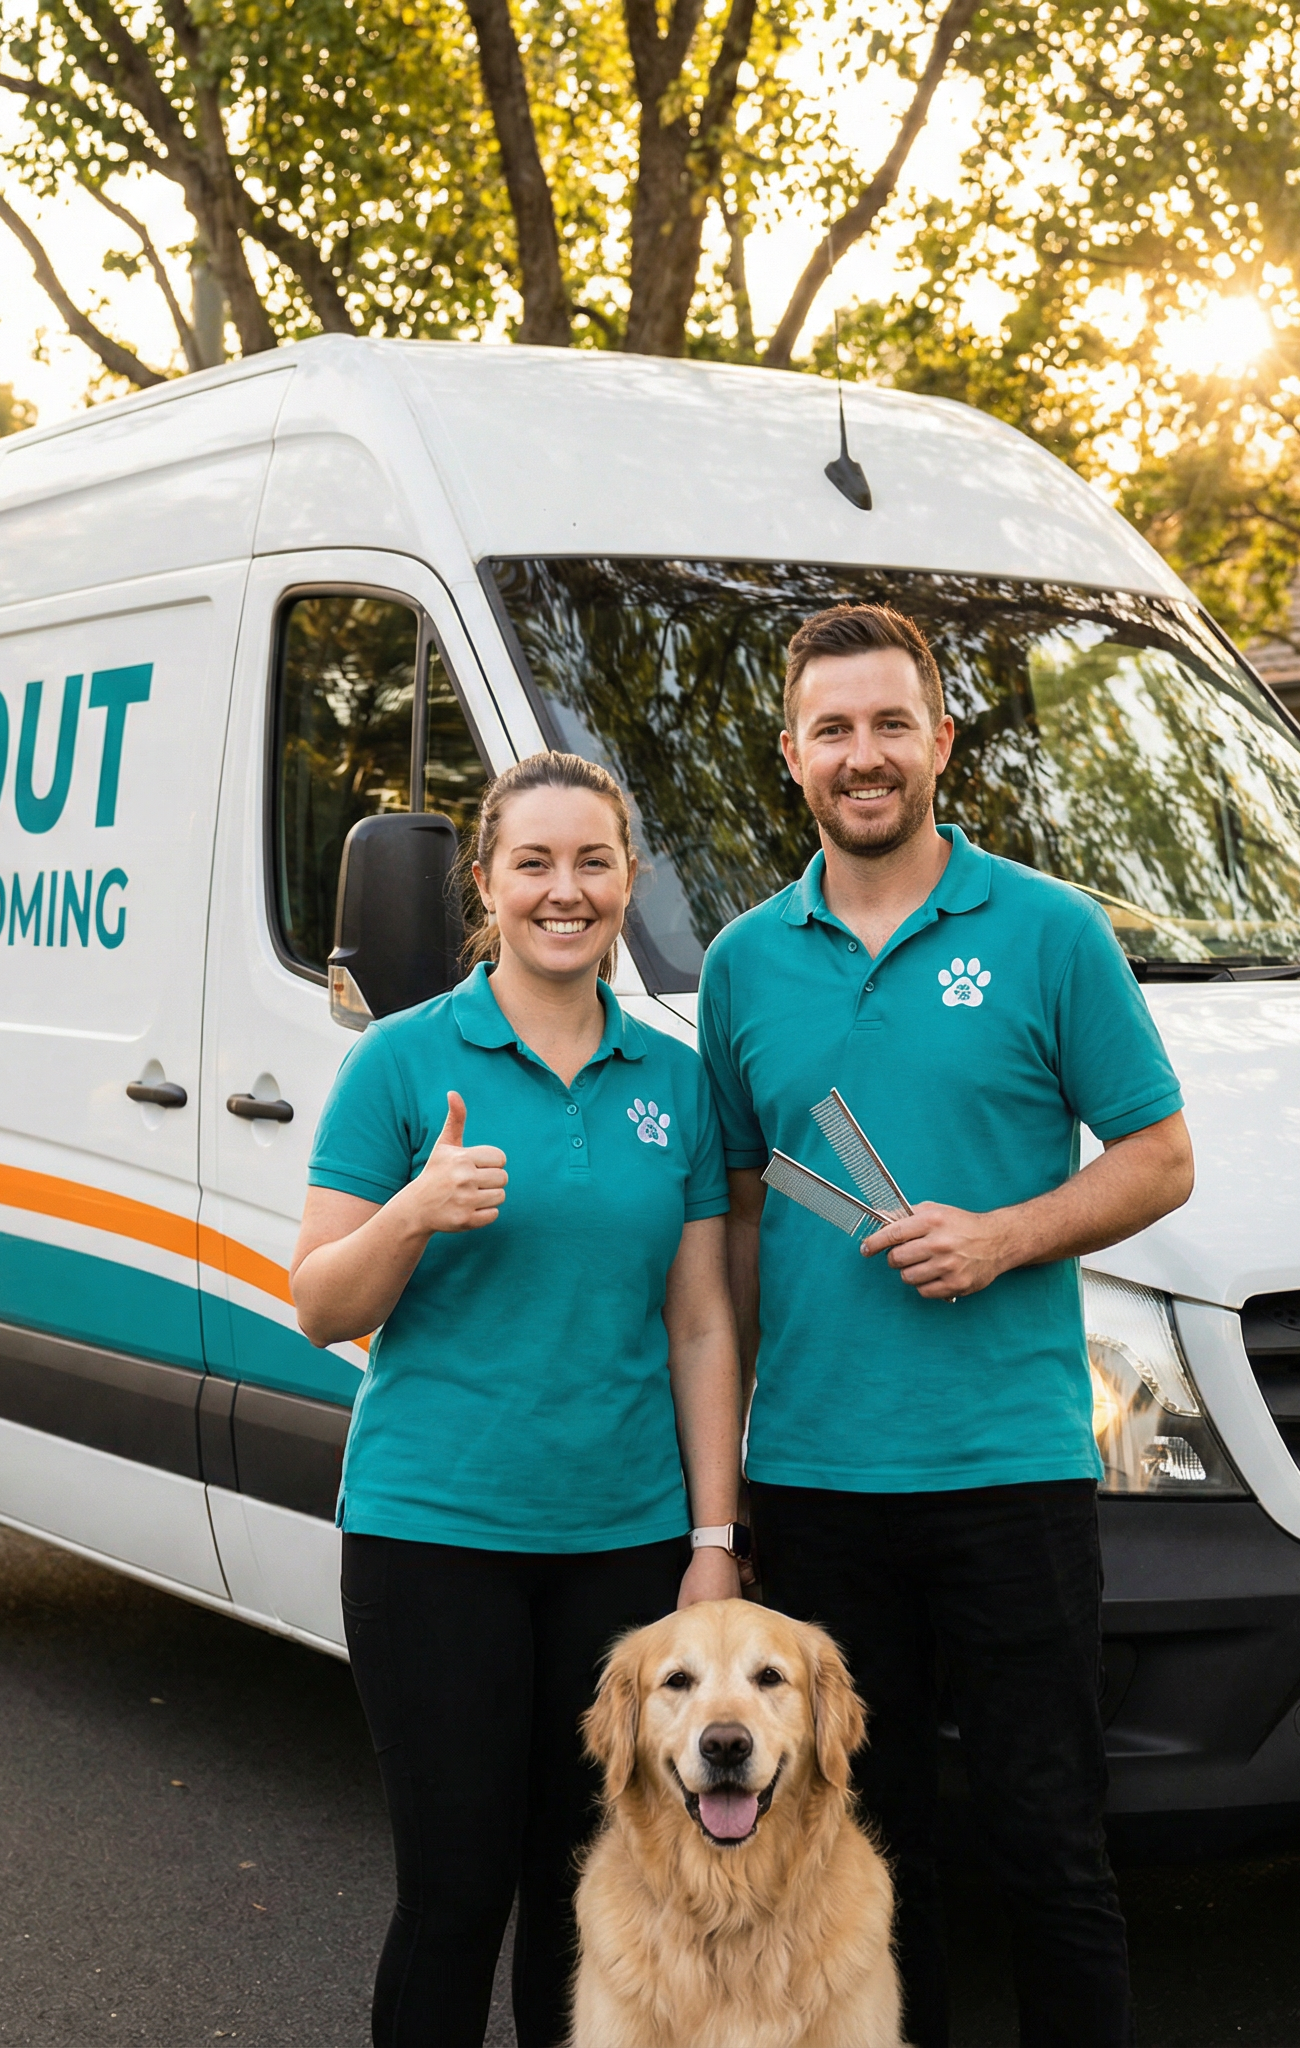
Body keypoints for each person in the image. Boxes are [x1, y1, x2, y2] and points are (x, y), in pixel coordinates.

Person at [699, 603, 1194, 2048]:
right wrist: (721, 1497)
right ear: (792, 754)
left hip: (1008, 1478)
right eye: (834, 729)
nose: (866, 755)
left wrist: (1002, 1235)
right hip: (818, 1486)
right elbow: (734, 1225)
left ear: (941, 743)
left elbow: (1160, 1157)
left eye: (891, 724)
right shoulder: (743, 964)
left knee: (1050, 1846)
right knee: (859, 1860)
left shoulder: (1049, 931)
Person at [290, 751, 748, 2048]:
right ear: (483, 885)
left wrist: (714, 1544)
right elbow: (322, 1301)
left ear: (629, 882)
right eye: (533, 864)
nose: (565, 890)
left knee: (589, 1898)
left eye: (593, 862)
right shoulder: (400, 1065)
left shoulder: (674, 1080)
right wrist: (416, 1213)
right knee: (454, 1894)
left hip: (622, 1545)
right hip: (434, 1539)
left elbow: (703, 1321)